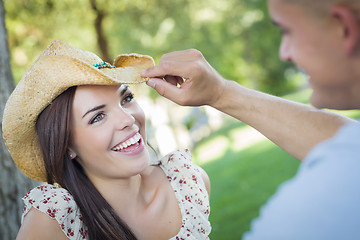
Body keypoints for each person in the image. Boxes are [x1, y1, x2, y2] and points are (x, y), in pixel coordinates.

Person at [141, 0, 360, 239]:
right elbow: (348, 142)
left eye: (287, 31)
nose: (284, 53)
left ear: (344, 28)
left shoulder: (317, 212)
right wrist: (220, 93)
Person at [1, 40, 211, 240]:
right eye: (97, 117)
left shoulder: (187, 184)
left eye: (126, 98)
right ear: (67, 147)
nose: (128, 119)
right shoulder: (57, 219)